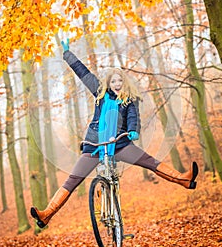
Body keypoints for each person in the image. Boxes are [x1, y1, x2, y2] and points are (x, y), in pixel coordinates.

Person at [30, 39, 198, 228]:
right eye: (113, 80)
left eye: (120, 80)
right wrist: (68, 55)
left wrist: (133, 131)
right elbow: (84, 74)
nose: (117, 83)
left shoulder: (130, 100)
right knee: (73, 179)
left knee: (150, 162)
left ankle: (184, 179)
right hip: (95, 145)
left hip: (120, 144)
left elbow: (134, 118)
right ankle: (46, 214)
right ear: (108, 83)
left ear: (124, 83)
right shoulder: (100, 93)